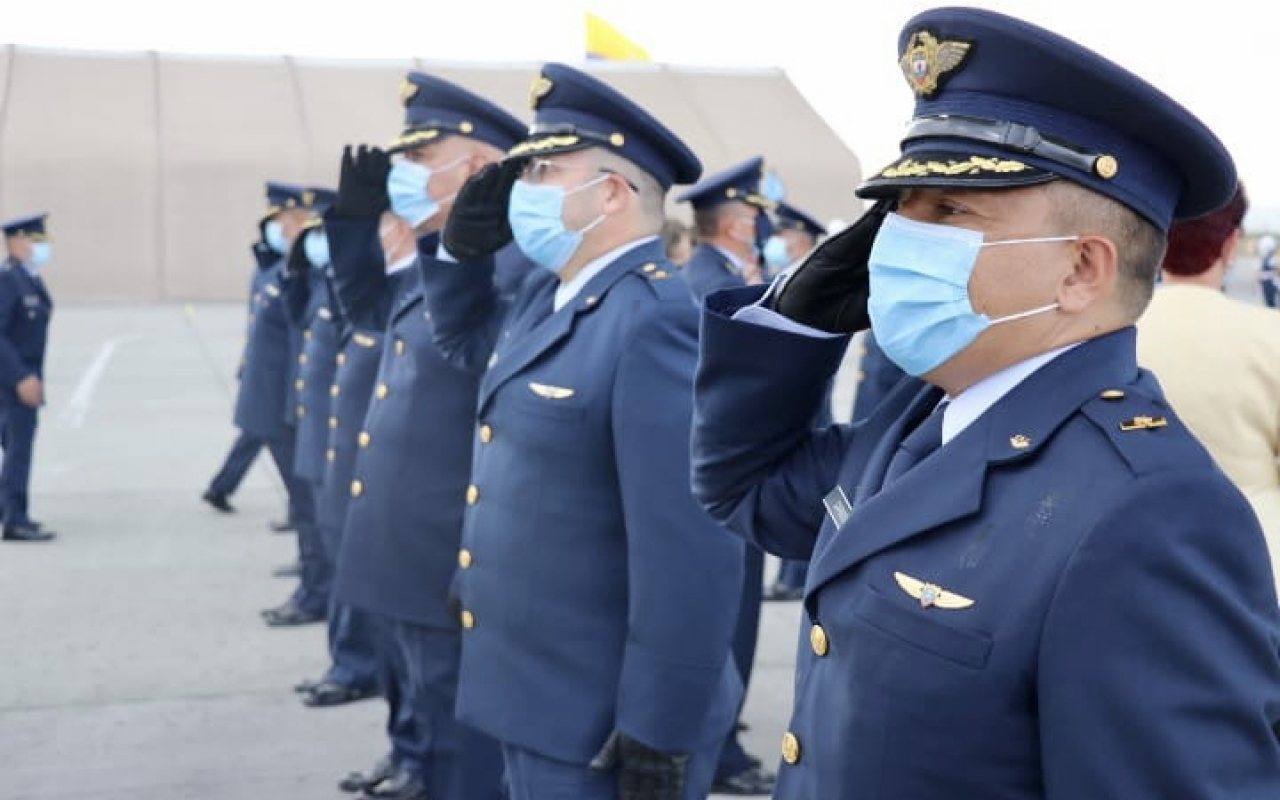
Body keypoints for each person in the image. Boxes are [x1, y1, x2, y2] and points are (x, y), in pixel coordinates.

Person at [689, 7, 1280, 799]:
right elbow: (744, 485)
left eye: (949, 210)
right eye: (900, 206)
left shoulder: (1152, 515)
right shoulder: (925, 421)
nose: (897, 236)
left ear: (1080, 271)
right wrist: (790, 322)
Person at [429, 62, 745, 800]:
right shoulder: (549, 294)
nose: (522, 189)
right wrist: (459, 256)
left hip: (598, 718)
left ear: (609, 193)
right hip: (532, 684)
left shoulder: (654, 321)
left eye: (543, 171)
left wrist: (659, 725)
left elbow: (690, 548)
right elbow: (465, 348)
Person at [324, 70, 528, 800]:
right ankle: (409, 760)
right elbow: (369, 311)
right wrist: (351, 226)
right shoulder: (438, 261)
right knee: (409, 687)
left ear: (476, 167)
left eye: (418, 158)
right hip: (399, 533)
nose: (402, 175)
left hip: (446, 536)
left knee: (454, 727)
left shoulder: (504, 267)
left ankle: (428, 769)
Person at [674, 157, 778, 796]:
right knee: (725, 622)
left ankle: (719, 741)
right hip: (722, 481)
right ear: (737, 222)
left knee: (729, 618)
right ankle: (720, 751)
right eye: (755, 217)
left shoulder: (724, 274)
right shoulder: (709, 285)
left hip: (733, 473)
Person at [1137, 184, 1280, 578]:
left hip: (1136, 560)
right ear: (1232, 243)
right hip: (1258, 563)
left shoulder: (1113, 332)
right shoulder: (1271, 334)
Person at [237, 183, 330, 627]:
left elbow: (303, 345)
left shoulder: (311, 274)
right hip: (269, 402)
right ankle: (311, 577)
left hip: (286, 405)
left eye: (288, 221)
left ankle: (315, 590)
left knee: (309, 508)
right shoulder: (283, 268)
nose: (281, 228)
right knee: (303, 507)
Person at [0, 213, 55, 542]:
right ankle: (15, 519)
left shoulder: (28, 278)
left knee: (14, 448)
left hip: (22, 377)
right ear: (15, 242)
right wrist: (21, 378)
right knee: (19, 450)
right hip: (14, 381)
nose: (42, 246)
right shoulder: (9, 280)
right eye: (36, 240)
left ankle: (10, 509)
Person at [678, 157, 773, 300]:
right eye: (755, 219)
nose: (762, 225)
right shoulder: (722, 285)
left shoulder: (717, 269)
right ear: (733, 228)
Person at [761, 201, 825, 279]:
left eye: (784, 237)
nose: (778, 242)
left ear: (803, 241)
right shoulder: (787, 274)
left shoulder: (814, 276)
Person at [1258, 233, 1278, 308]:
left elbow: (1277, 270)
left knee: (1271, 304)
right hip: (1266, 284)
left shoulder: (1272, 258)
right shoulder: (1266, 258)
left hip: (1270, 284)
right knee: (1268, 303)